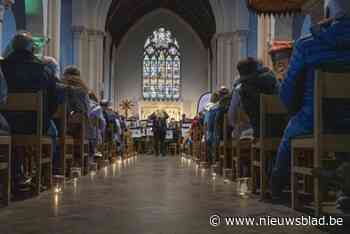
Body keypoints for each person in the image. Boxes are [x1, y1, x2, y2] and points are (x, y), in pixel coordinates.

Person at [271, 0, 350, 204]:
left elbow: (287, 93)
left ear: (328, 12)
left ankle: (276, 187)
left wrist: (295, 110)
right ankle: (343, 186)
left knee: (290, 131)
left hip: (315, 119)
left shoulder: (307, 44)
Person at [1, 32, 62, 185]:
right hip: (34, 123)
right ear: (32, 49)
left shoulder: (2, 66)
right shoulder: (44, 69)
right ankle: (43, 175)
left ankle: (14, 173)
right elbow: (54, 101)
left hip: (6, 123)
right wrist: (45, 115)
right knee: (53, 133)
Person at [236, 58, 279, 138]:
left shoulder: (244, 90)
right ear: (256, 68)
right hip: (282, 128)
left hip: (261, 132)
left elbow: (248, 115)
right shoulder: (272, 80)